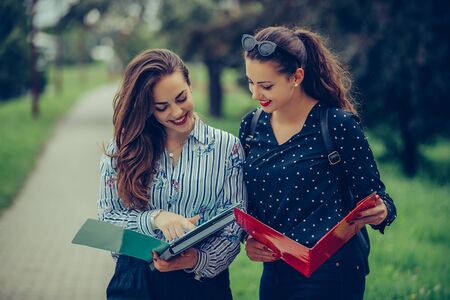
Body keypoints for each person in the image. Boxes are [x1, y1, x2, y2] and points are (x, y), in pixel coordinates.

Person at [238, 26, 397, 300]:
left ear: (296, 77)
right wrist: (249, 241)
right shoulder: (251, 126)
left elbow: (376, 197)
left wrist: (381, 211)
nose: (256, 94)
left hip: (333, 270)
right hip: (276, 271)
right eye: (250, 82)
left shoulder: (337, 125)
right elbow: (248, 200)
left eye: (266, 85)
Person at [97, 48, 247, 300]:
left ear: (190, 84)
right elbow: (106, 224)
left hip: (203, 286)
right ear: (147, 108)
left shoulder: (227, 147)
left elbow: (233, 229)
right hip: (134, 282)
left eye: (181, 98)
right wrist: (156, 218)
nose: (176, 112)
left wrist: (195, 260)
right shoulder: (122, 150)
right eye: (162, 107)